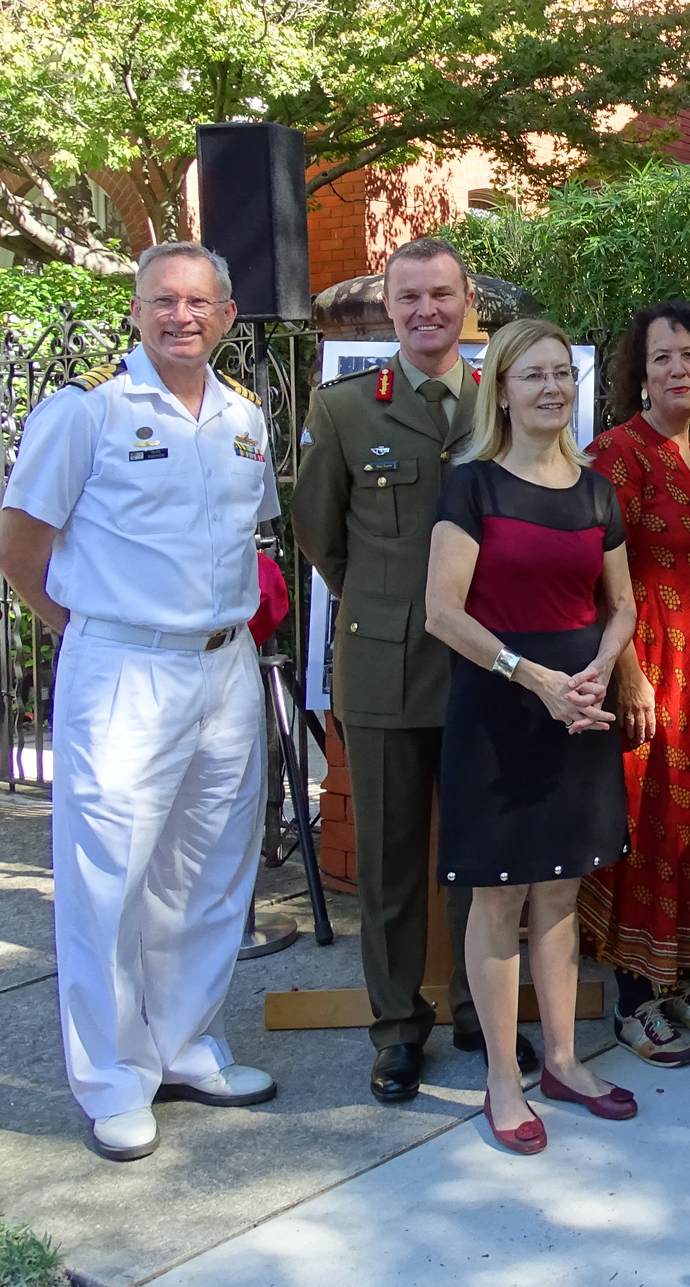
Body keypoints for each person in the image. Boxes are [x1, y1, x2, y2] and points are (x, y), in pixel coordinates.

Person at [0, 241, 280, 1163]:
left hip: (225, 664)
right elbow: (20, 543)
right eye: (162, 301)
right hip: (123, 665)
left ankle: (186, 1045)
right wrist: (82, 632)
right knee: (107, 880)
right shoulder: (87, 412)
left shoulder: (244, 416)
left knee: (208, 871)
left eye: (199, 303)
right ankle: (113, 1077)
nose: (180, 317)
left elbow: (247, 540)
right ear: (136, 311)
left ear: (227, 317)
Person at [293, 236, 523, 1108]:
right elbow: (321, 533)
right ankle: (396, 1031)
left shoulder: (500, 402)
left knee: (478, 856)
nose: (427, 310)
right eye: (410, 297)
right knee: (390, 863)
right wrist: (386, 603)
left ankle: (477, 1009)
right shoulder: (348, 408)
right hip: (386, 666)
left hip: (481, 665)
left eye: (442, 295)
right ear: (389, 310)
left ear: (469, 304)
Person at [425, 317, 640, 1154]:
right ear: (502, 390)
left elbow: (619, 603)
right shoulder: (471, 486)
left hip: (578, 707)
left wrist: (596, 670)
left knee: (561, 888)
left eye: (563, 375)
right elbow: (443, 614)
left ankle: (562, 1061)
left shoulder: (596, 491)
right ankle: (503, 1080)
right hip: (501, 709)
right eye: (533, 376)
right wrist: (535, 677)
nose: (553, 388)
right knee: (500, 893)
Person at [581, 300, 690, 1066]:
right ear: (638, 375)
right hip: (648, 669)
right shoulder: (618, 454)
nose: (677, 370)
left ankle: (676, 973)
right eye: (661, 359)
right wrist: (627, 675)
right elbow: (592, 577)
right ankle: (632, 1000)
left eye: (689, 356)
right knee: (645, 829)